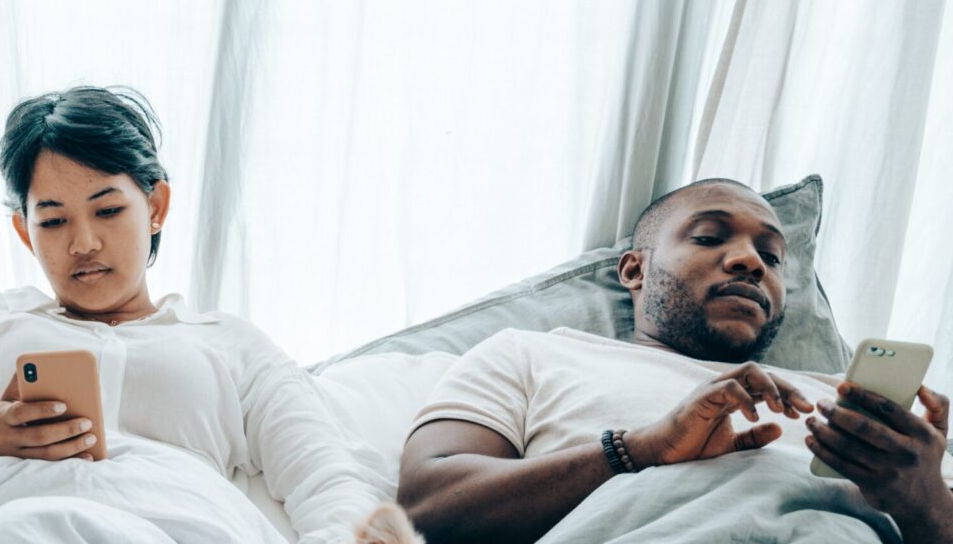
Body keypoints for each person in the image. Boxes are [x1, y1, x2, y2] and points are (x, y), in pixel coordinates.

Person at [0, 86, 393, 544]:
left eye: (108, 210)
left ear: (155, 207)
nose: (84, 243)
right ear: (25, 233)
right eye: (52, 221)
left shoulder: (233, 347)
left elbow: (333, 483)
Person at [397, 179, 953, 544]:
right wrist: (641, 450)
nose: (750, 263)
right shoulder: (533, 353)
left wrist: (923, 498)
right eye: (710, 237)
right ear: (634, 271)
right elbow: (427, 506)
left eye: (772, 257)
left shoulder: (850, 402)